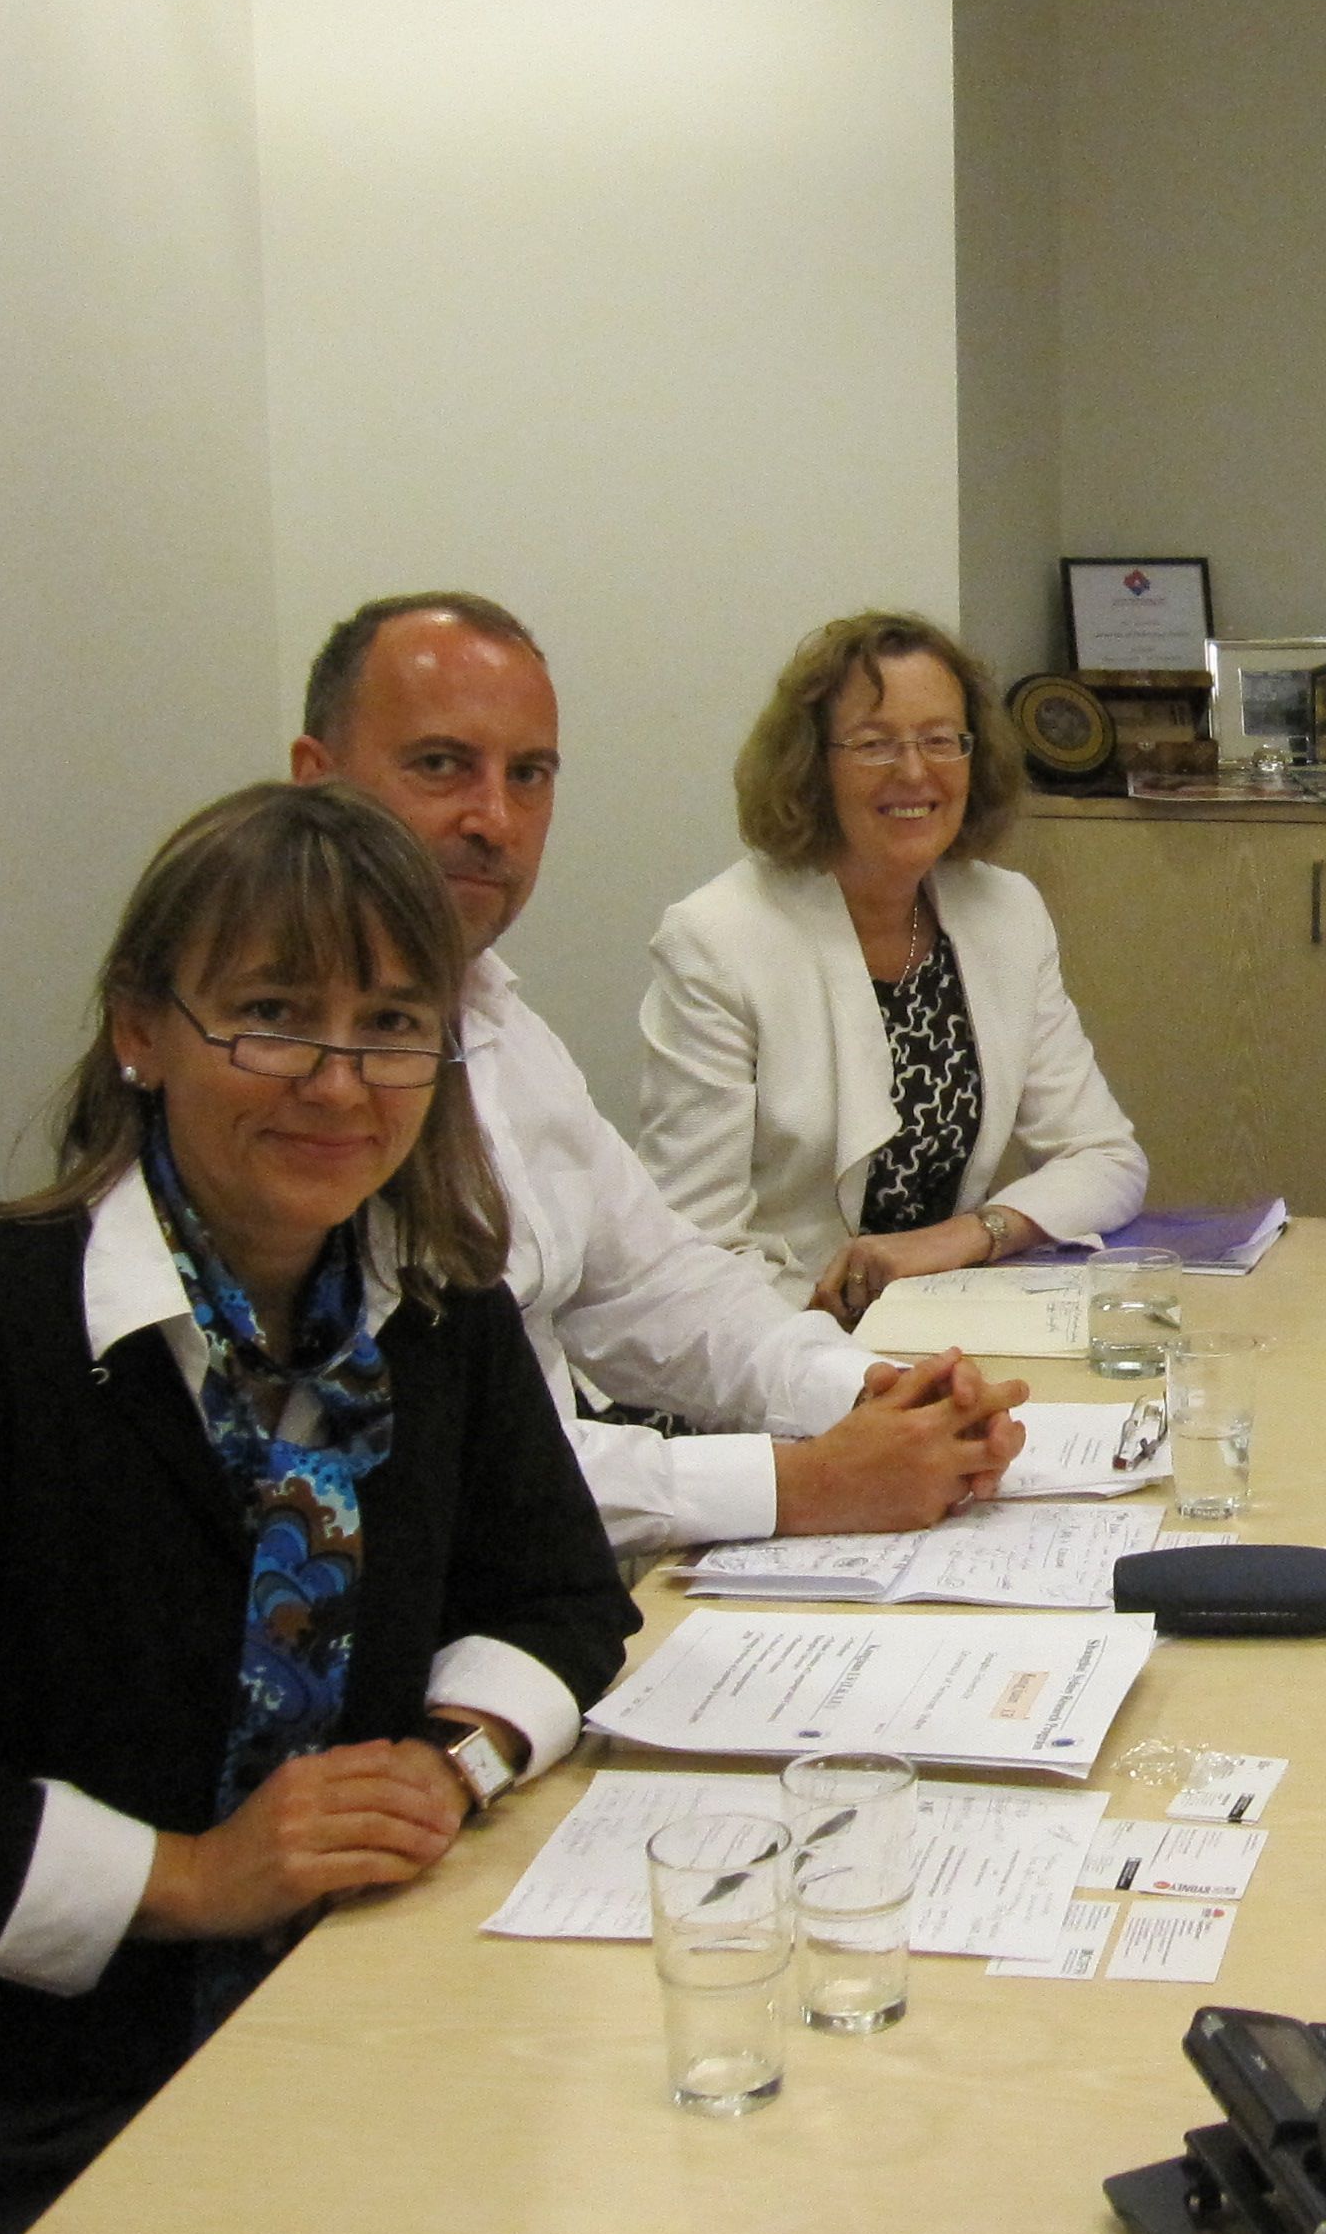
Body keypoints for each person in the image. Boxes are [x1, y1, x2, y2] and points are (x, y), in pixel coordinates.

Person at [0, 782, 639, 2234]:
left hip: (342, 2013)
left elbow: (561, 1599)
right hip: (3, 2113)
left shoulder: (438, 1320)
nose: (338, 1081)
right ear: (140, 1030)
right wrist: (192, 1878)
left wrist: (449, 1761)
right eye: (274, 1015)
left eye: (390, 1026)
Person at [293, 594, 1024, 1552]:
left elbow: (658, 1288)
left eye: (529, 775)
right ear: (317, 779)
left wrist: (877, 1391)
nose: (494, 819)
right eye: (440, 765)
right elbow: (446, 1462)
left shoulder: (505, 1030)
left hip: (556, 1568)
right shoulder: (295, 1089)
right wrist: (802, 1483)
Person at [639, 612, 1147, 1325]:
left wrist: (965, 1236)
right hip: (773, 1337)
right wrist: (829, 1345)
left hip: (947, 1324)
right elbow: (692, 1246)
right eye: (874, 744)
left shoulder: (1006, 912)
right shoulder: (718, 939)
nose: (914, 772)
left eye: (940, 740)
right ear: (812, 765)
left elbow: (1105, 1159)